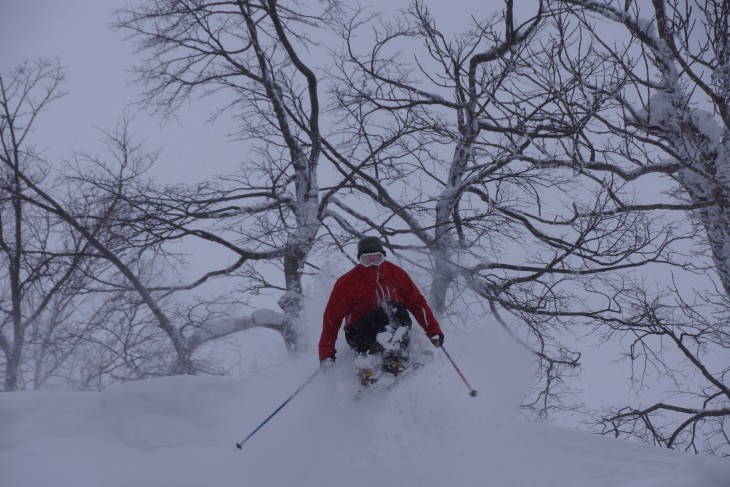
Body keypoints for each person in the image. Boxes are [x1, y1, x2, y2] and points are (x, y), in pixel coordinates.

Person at [318, 236, 445, 385]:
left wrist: (433, 331)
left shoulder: (396, 274)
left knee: (395, 309)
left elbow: (417, 303)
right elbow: (331, 319)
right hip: (360, 331)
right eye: (367, 260)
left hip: (391, 325)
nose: (372, 264)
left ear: (383, 257)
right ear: (360, 260)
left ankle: (395, 358)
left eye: (376, 258)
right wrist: (326, 353)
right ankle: (366, 366)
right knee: (374, 318)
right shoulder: (347, 283)